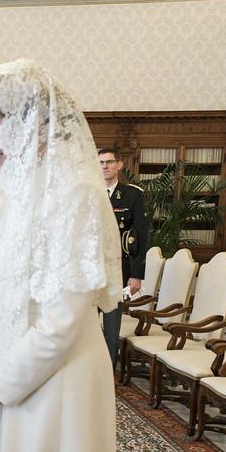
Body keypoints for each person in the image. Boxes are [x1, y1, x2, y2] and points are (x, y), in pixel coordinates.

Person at [0, 60, 121, 452]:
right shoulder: (11, 190)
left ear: (27, 123)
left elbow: (62, 323)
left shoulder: (78, 192)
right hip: (6, 374)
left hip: (57, 387)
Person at [99, 146, 149, 369]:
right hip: (89, 273)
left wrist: (137, 275)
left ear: (119, 165)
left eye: (109, 162)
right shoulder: (89, 194)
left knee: (111, 328)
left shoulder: (132, 195)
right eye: (101, 162)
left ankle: (108, 372)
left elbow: (141, 237)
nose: (105, 166)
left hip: (118, 272)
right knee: (84, 328)